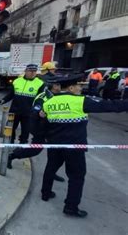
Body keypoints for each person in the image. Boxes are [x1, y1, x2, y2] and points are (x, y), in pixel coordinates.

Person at [39, 74, 128, 218]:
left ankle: (45, 193)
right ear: (71, 87)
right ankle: (71, 207)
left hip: (55, 144)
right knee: (76, 177)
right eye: (79, 85)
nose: (81, 88)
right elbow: (109, 106)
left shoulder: (49, 102)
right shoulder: (81, 101)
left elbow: (45, 123)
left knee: (51, 168)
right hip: (74, 147)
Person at [6, 83, 65, 182]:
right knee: (35, 150)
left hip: (55, 129)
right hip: (41, 129)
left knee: (56, 154)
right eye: (57, 85)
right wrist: (42, 116)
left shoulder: (59, 96)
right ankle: (12, 156)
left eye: (60, 85)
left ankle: (51, 172)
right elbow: (36, 113)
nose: (59, 88)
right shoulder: (43, 97)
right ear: (52, 86)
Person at [0, 64, 45, 144]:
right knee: (10, 128)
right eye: (30, 71)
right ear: (26, 71)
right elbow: (11, 94)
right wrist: (4, 100)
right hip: (14, 110)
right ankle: (10, 143)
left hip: (28, 112)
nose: (32, 73)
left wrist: (38, 108)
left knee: (26, 130)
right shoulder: (17, 81)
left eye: (34, 71)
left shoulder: (40, 83)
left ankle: (22, 145)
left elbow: (41, 98)